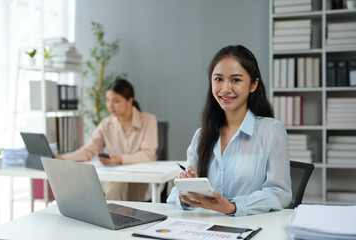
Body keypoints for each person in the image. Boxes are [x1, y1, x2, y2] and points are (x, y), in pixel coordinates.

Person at [167, 45, 292, 216]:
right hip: (207, 229)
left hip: (252, 228)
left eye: (235, 80)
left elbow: (280, 194)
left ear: (253, 85)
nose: (225, 89)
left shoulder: (270, 131)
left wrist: (233, 207)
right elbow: (174, 195)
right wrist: (185, 193)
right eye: (218, 79)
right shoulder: (201, 135)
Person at [57, 79, 158, 201]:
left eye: (116, 101)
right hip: (116, 178)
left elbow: (147, 154)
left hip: (142, 179)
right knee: (112, 184)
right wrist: (63, 158)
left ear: (129, 101)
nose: (110, 105)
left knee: (115, 186)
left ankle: (114, 217)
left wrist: (121, 159)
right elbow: (89, 150)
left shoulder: (148, 120)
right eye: (108, 100)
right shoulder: (106, 124)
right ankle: (114, 217)